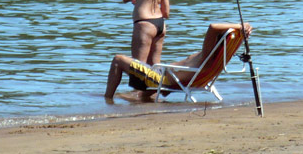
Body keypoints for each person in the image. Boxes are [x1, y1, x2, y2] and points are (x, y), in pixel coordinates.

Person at [104, 22, 252, 101]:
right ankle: (124, 98)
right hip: (169, 77)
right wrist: (242, 31)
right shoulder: (222, 56)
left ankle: (108, 101)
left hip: (163, 79)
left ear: (216, 41)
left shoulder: (208, 55)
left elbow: (212, 27)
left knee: (118, 60)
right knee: (139, 96)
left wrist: (239, 26)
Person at [122, 0, 170, 80]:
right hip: (160, 25)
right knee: (154, 67)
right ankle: (152, 95)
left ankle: (137, 96)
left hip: (145, 24)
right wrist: (141, 2)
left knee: (139, 68)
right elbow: (166, 13)